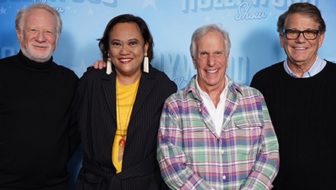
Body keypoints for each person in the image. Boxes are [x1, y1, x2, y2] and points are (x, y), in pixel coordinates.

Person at [157, 24, 279, 190]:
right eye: (204, 54)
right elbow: (171, 166)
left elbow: (270, 154)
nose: (211, 62)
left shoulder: (254, 98)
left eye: (218, 53)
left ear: (227, 57)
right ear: (194, 59)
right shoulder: (175, 105)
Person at [74, 14, 177, 189]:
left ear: (145, 47)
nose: (124, 51)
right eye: (116, 43)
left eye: (132, 43)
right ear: (107, 49)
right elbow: (72, 129)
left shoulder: (163, 87)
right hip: (95, 184)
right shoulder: (92, 81)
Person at [250, 2, 336, 189]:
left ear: (321, 38)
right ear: (282, 38)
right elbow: (253, 142)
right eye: (293, 32)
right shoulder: (262, 81)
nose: (300, 39)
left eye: (310, 32)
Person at [0, 3, 80, 190]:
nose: (41, 38)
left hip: (55, 185)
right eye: (33, 30)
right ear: (20, 34)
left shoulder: (69, 80)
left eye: (49, 32)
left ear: (57, 38)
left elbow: (76, 131)